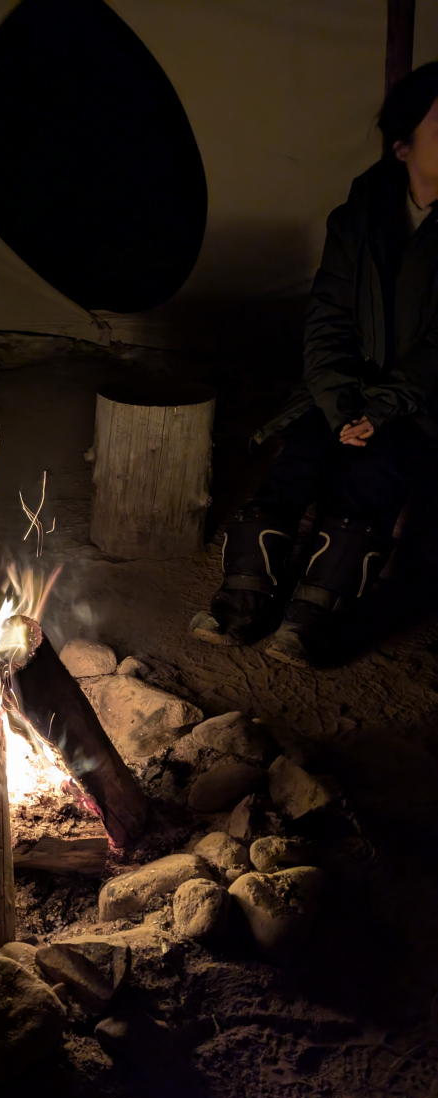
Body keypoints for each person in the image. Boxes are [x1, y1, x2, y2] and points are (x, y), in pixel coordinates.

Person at [191, 63, 438, 666]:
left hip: (420, 400)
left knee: (372, 476)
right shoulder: (361, 214)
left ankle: (312, 618)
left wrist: (381, 409)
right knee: (299, 459)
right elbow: (328, 316)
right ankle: (243, 601)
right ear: (403, 146)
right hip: (348, 393)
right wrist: (339, 403)